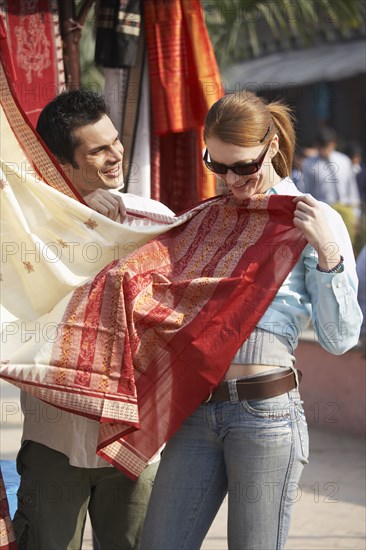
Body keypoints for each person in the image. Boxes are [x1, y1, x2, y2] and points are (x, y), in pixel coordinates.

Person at [139, 91, 362, 550]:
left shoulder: (309, 217)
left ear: (273, 147)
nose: (230, 180)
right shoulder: (210, 219)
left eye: (243, 166)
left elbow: (340, 339)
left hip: (266, 415)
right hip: (196, 412)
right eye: (216, 166)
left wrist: (328, 252)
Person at [12, 90, 174, 550]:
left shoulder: (153, 219)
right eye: (98, 149)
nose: (115, 155)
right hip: (54, 439)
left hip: (137, 441)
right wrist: (81, 224)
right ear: (63, 163)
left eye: (116, 141)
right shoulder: (28, 233)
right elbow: (28, 311)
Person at [301, 127, 361, 241]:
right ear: (317, 146)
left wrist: (356, 214)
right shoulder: (309, 164)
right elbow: (306, 191)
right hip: (323, 212)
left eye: (327, 146)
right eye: (321, 147)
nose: (324, 150)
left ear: (333, 144)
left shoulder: (344, 161)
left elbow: (351, 188)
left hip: (345, 210)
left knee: (346, 244)